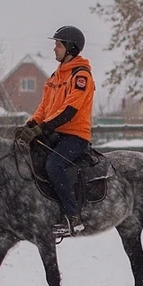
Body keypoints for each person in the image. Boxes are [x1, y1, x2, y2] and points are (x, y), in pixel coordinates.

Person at [14, 25, 95, 237]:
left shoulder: (81, 76)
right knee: (28, 158)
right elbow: (44, 108)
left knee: (53, 165)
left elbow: (69, 111)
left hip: (75, 136)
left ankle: (72, 218)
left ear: (70, 48)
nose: (54, 49)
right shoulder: (56, 76)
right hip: (54, 134)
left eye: (58, 45)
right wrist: (30, 126)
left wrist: (42, 129)